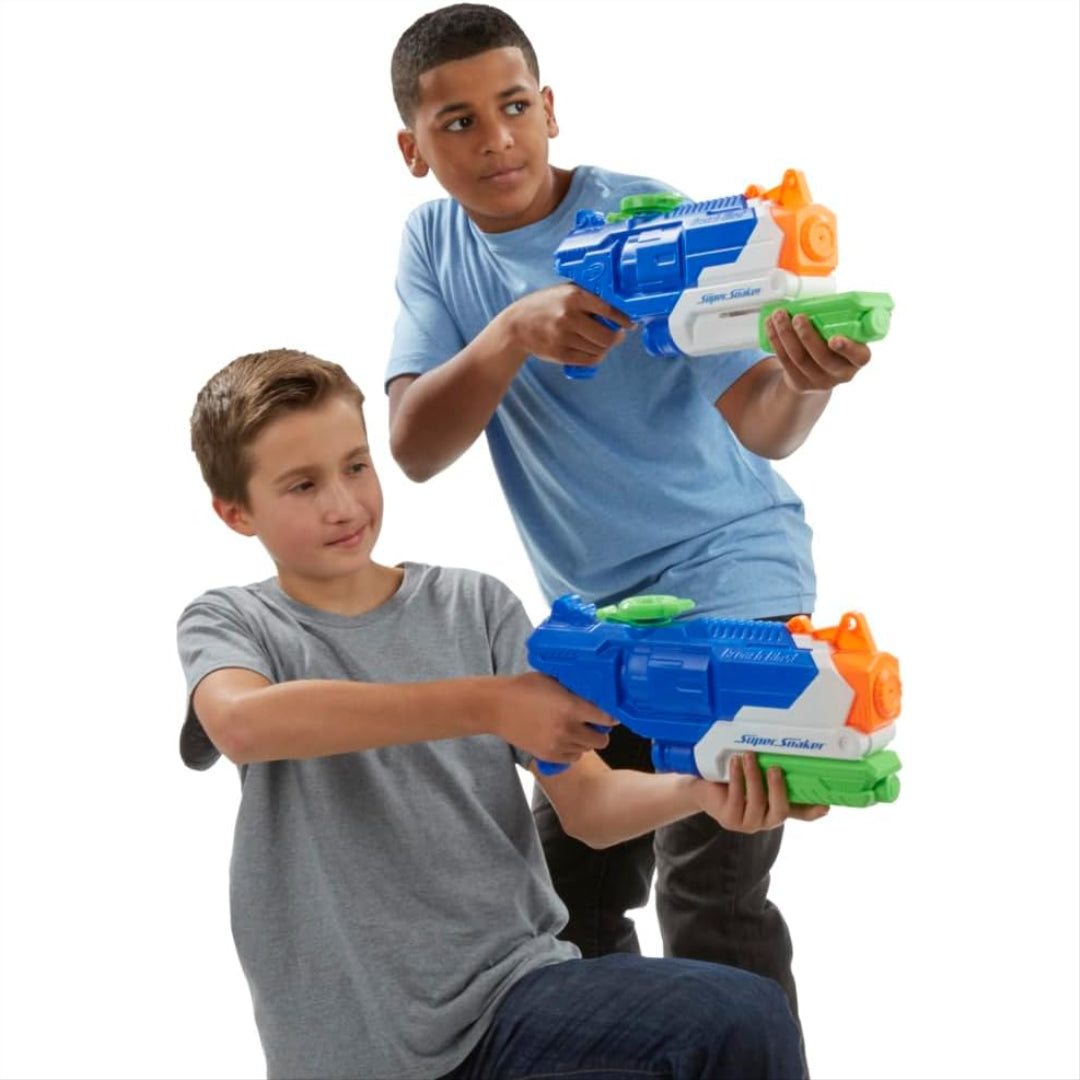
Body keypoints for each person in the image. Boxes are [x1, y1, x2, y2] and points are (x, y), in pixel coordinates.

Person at [385, 1, 880, 1041]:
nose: (497, 138)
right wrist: (513, 332)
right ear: (413, 149)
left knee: (713, 890)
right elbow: (415, 447)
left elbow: (764, 422)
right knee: (561, 899)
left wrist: (806, 377)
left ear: (551, 109)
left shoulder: (648, 219)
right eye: (458, 121)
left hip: (735, 576)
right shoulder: (434, 241)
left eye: (514, 106)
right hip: (602, 625)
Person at [177, 347, 824, 1079]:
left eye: (356, 466)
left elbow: (589, 806)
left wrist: (703, 791)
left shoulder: (475, 605)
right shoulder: (232, 622)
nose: (343, 504)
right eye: (303, 485)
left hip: (516, 999)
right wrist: (489, 703)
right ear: (236, 512)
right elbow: (243, 724)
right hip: (358, 1052)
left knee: (740, 1014)